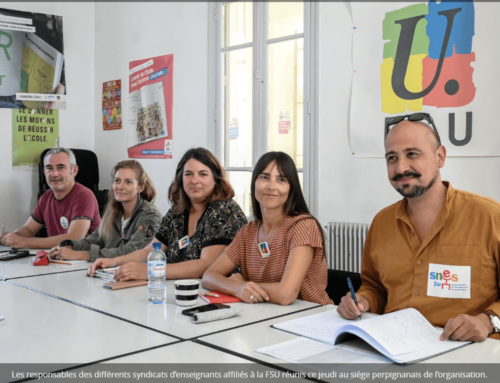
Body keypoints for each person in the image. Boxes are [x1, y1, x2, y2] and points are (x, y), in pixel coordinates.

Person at [337, 113, 500, 342]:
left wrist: (487, 321)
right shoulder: (381, 223)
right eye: (392, 158)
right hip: (393, 348)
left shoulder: (490, 216)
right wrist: (361, 301)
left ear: (440, 156)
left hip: (466, 353)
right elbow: (375, 288)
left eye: (412, 154)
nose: (401, 167)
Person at [88, 147, 247, 281]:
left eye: (203, 174)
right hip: (176, 291)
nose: (194, 180)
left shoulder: (225, 210)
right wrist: (113, 262)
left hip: (217, 295)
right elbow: (149, 250)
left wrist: (151, 271)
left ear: (216, 179)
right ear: (180, 178)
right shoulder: (178, 211)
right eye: (188, 174)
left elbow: (207, 264)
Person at [202, 152, 333, 306]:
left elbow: (285, 294)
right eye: (264, 177)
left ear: (292, 188)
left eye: (281, 180)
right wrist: (236, 287)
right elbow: (209, 276)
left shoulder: (303, 226)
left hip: (309, 319)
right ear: (254, 183)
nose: (271, 186)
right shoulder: (248, 232)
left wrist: (246, 284)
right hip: (265, 316)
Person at [49, 160, 162, 262]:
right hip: (109, 272)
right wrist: (69, 247)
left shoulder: (150, 215)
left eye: (128, 182)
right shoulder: (114, 211)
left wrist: (80, 255)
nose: (120, 186)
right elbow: (94, 240)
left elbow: (130, 252)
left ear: (140, 187)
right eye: (117, 181)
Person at [0, 147, 100, 249]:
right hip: (59, 258)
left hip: (85, 260)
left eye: (61, 167)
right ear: (44, 172)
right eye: (49, 168)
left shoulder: (84, 196)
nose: (54, 173)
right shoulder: (46, 197)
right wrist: (11, 237)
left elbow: (73, 239)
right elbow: (29, 229)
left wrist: (24, 242)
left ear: (74, 170)